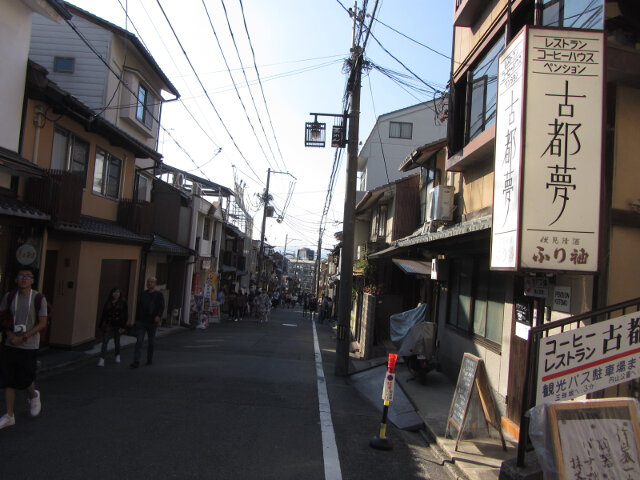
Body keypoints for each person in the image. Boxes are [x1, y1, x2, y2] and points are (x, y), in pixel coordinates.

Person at [0, 268, 48, 429]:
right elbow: (3, 317)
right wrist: (10, 335)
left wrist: (24, 336)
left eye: (28, 277)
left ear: (33, 280)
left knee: (25, 378)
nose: (24, 279)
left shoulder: (38, 298)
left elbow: (42, 323)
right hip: (10, 343)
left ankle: (34, 395)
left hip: (29, 345)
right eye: (21, 276)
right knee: (8, 379)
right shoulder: (9, 297)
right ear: (16, 279)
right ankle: (9, 414)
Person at [130, 277, 164, 368]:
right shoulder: (143, 294)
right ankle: (136, 361)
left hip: (152, 322)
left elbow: (161, 307)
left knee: (151, 342)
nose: (149, 284)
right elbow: (139, 307)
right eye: (148, 282)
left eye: (151, 282)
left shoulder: (159, 295)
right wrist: (136, 320)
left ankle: (149, 359)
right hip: (142, 321)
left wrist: (158, 316)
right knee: (139, 341)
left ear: (155, 284)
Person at [97, 287, 128, 367]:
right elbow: (104, 314)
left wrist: (124, 326)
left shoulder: (123, 303)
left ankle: (117, 355)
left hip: (118, 325)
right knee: (105, 341)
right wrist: (100, 325)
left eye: (118, 292)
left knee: (117, 341)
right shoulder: (108, 302)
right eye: (114, 292)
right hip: (109, 324)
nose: (116, 294)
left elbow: (125, 315)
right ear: (111, 293)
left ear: (120, 294)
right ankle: (102, 359)